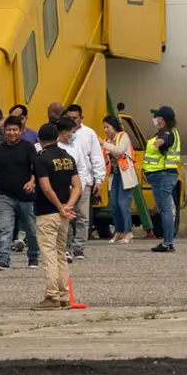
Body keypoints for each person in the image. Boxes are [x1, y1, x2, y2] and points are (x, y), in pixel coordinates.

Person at [32, 123, 80, 311]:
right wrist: (68, 206)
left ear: (40, 140)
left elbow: (45, 187)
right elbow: (77, 186)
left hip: (48, 212)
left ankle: (52, 296)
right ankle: (64, 296)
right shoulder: (68, 158)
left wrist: (59, 207)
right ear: (58, 137)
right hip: (64, 215)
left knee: (49, 255)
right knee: (61, 254)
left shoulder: (41, 159)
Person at [0, 115, 39, 270]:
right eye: (8, 130)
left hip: (26, 197)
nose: (11, 133)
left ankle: (34, 257)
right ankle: (3, 259)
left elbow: (37, 169)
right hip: (5, 196)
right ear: (4, 131)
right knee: (4, 228)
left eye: (15, 130)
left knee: (32, 229)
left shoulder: (29, 147)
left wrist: (32, 181)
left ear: (21, 131)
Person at [63, 104, 106, 261]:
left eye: (75, 118)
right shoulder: (61, 134)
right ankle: (66, 247)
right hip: (65, 183)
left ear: (81, 118)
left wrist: (99, 180)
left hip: (84, 181)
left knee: (82, 217)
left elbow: (96, 157)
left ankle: (79, 247)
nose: (72, 121)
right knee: (66, 216)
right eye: (69, 118)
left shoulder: (89, 134)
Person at [144, 105, 181, 252]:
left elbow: (165, 140)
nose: (155, 119)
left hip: (163, 175)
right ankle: (168, 242)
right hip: (162, 175)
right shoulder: (170, 132)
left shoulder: (166, 133)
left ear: (163, 119)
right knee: (165, 209)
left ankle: (168, 242)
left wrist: (160, 142)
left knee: (165, 210)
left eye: (157, 116)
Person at [101, 114, 138, 243]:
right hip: (114, 174)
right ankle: (118, 231)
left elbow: (120, 151)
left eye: (108, 127)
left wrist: (104, 144)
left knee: (123, 204)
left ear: (114, 126)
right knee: (115, 205)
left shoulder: (123, 136)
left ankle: (128, 232)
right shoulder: (108, 140)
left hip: (124, 174)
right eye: (104, 127)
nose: (106, 130)